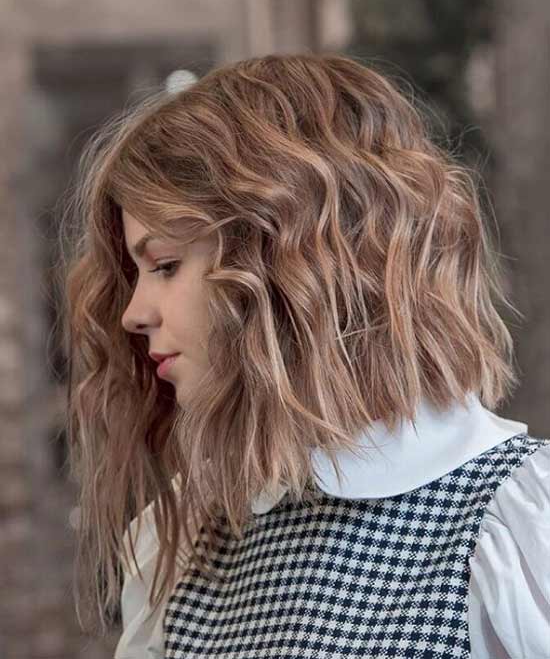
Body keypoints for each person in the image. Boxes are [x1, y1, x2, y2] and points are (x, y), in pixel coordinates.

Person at [56, 52, 550, 658]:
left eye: (164, 264)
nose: (134, 312)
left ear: (293, 260)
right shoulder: (188, 541)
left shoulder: (516, 525)